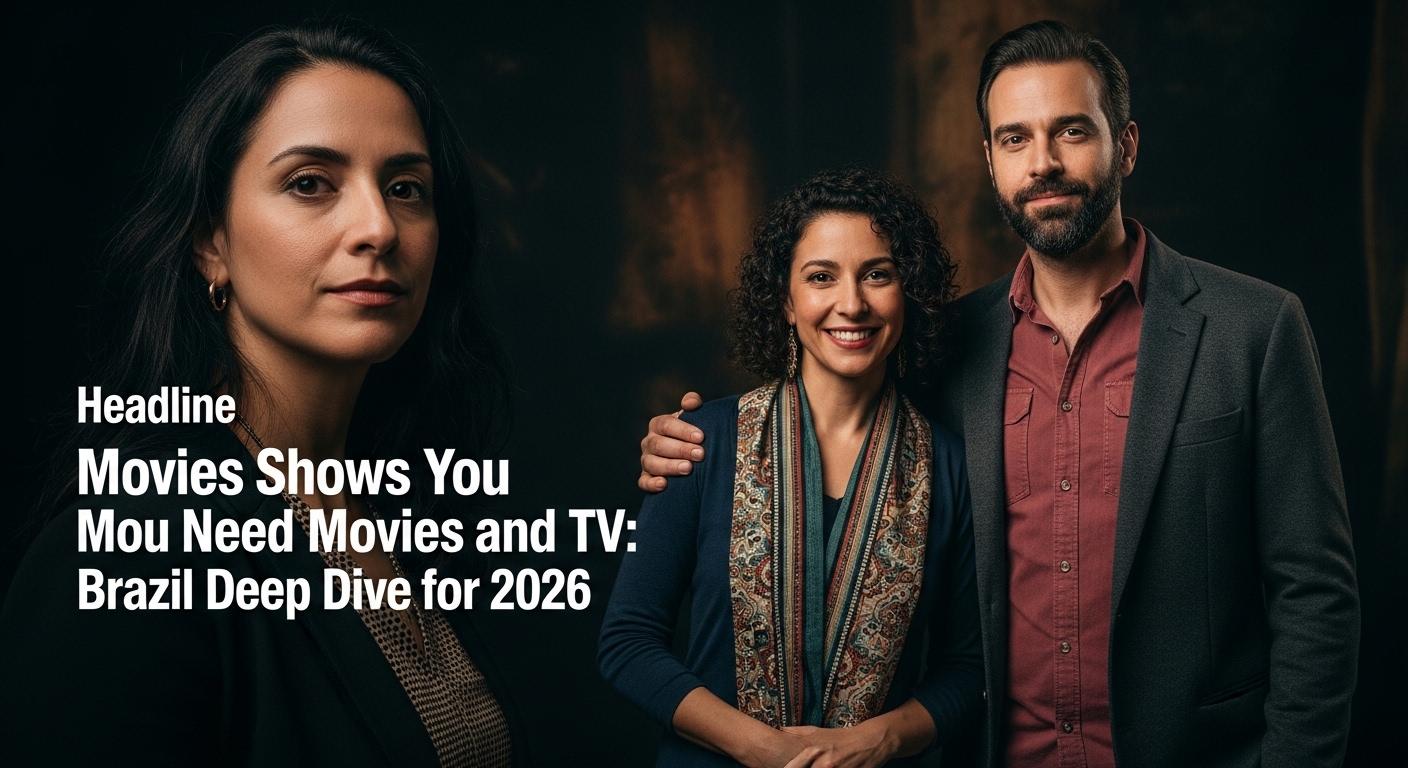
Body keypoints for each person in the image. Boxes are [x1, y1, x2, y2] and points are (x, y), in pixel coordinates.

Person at [637, 21, 1359, 768]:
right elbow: (824, 412)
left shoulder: (1254, 328)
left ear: (1126, 145)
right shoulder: (944, 346)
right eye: (1015, 138)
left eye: (1071, 131)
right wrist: (690, 443)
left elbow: (1315, 591)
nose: (1043, 162)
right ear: (990, 160)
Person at [0, 20, 520, 767]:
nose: (379, 227)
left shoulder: (405, 510)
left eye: (406, 188)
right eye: (310, 183)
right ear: (211, 242)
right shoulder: (127, 550)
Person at [600, 167, 983, 768]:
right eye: (821, 277)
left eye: (877, 275)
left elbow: (968, 667)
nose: (851, 304)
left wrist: (876, 740)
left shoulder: (950, 467)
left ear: (907, 291)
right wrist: (764, 749)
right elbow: (627, 644)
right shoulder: (701, 442)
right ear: (785, 300)